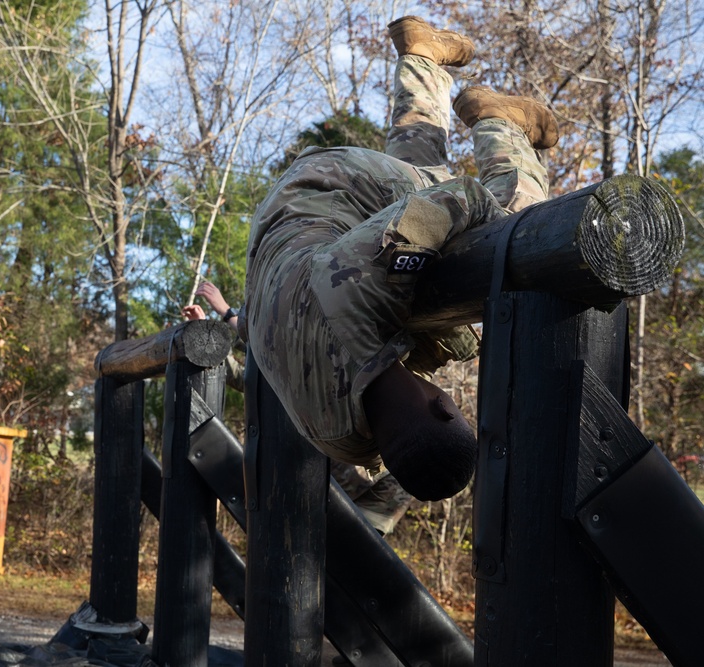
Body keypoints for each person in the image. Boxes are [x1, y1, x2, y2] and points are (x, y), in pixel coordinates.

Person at [238, 15, 558, 502]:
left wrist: (495, 233)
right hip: (280, 238)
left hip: (325, 186)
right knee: (418, 172)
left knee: (515, 228)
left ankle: (500, 123)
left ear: (447, 411)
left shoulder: (357, 296)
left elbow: (454, 199)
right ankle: (421, 57)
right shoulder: (342, 438)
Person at [185, 280, 414, 534]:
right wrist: (208, 328)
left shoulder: (326, 337)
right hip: (350, 482)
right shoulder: (291, 362)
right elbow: (251, 369)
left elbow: (268, 350)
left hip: (374, 481)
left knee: (352, 558)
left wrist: (226, 312)